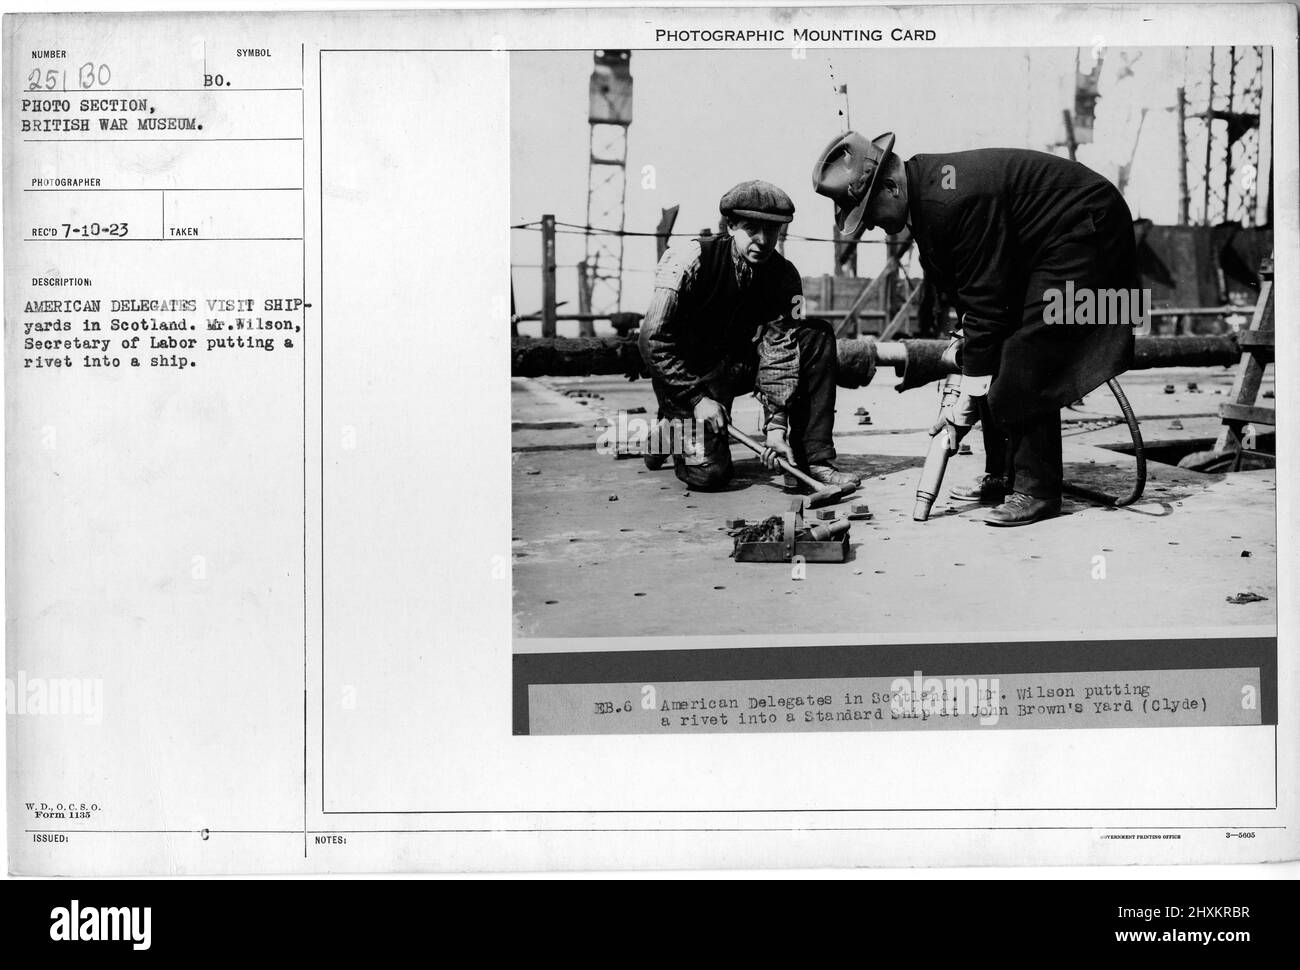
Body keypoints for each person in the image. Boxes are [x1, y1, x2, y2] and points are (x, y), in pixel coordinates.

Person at [813, 132, 1138, 526]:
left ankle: (1037, 491)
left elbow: (987, 303)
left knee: (1026, 347)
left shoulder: (949, 201)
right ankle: (1003, 475)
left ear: (890, 186)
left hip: (1088, 228)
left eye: (869, 214)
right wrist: (968, 356)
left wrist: (962, 408)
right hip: (1046, 242)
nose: (870, 228)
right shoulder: (925, 196)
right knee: (983, 353)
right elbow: (972, 299)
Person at [638, 179, 860, 492]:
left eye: (772, 230)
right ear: (730, 226)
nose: (763, 240)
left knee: (815, 336)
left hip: (737, 366)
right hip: (688, 376)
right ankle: (666, 433)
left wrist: (776, 427)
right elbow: (652, 340)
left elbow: (782, 349)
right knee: (710, 476)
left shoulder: (785, 276)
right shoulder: (688, 260)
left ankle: (811, 459)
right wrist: (696, 399)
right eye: (751, 228)